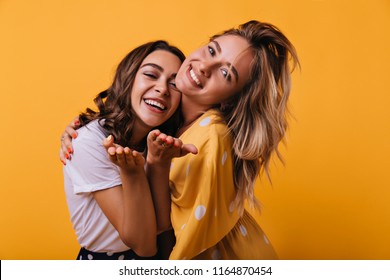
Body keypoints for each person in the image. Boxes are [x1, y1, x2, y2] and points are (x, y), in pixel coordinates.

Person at [61, 20, 299, 259]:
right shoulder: (165, 122)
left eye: (226, 73)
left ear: (232, 100)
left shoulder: (208, 136)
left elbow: (168, 236)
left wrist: (150, 165)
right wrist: (82, 132)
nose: (205, 66)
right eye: (212, 50)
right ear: (129, 75)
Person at [62, 40, 195, 260]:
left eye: (174, 84)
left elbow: (161, 226)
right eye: (151, 75)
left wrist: (156, 163)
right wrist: (133, 173)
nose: (162, 89)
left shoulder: (163, 143)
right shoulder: (89, 141)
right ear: (128, 79)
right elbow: (144, 245)